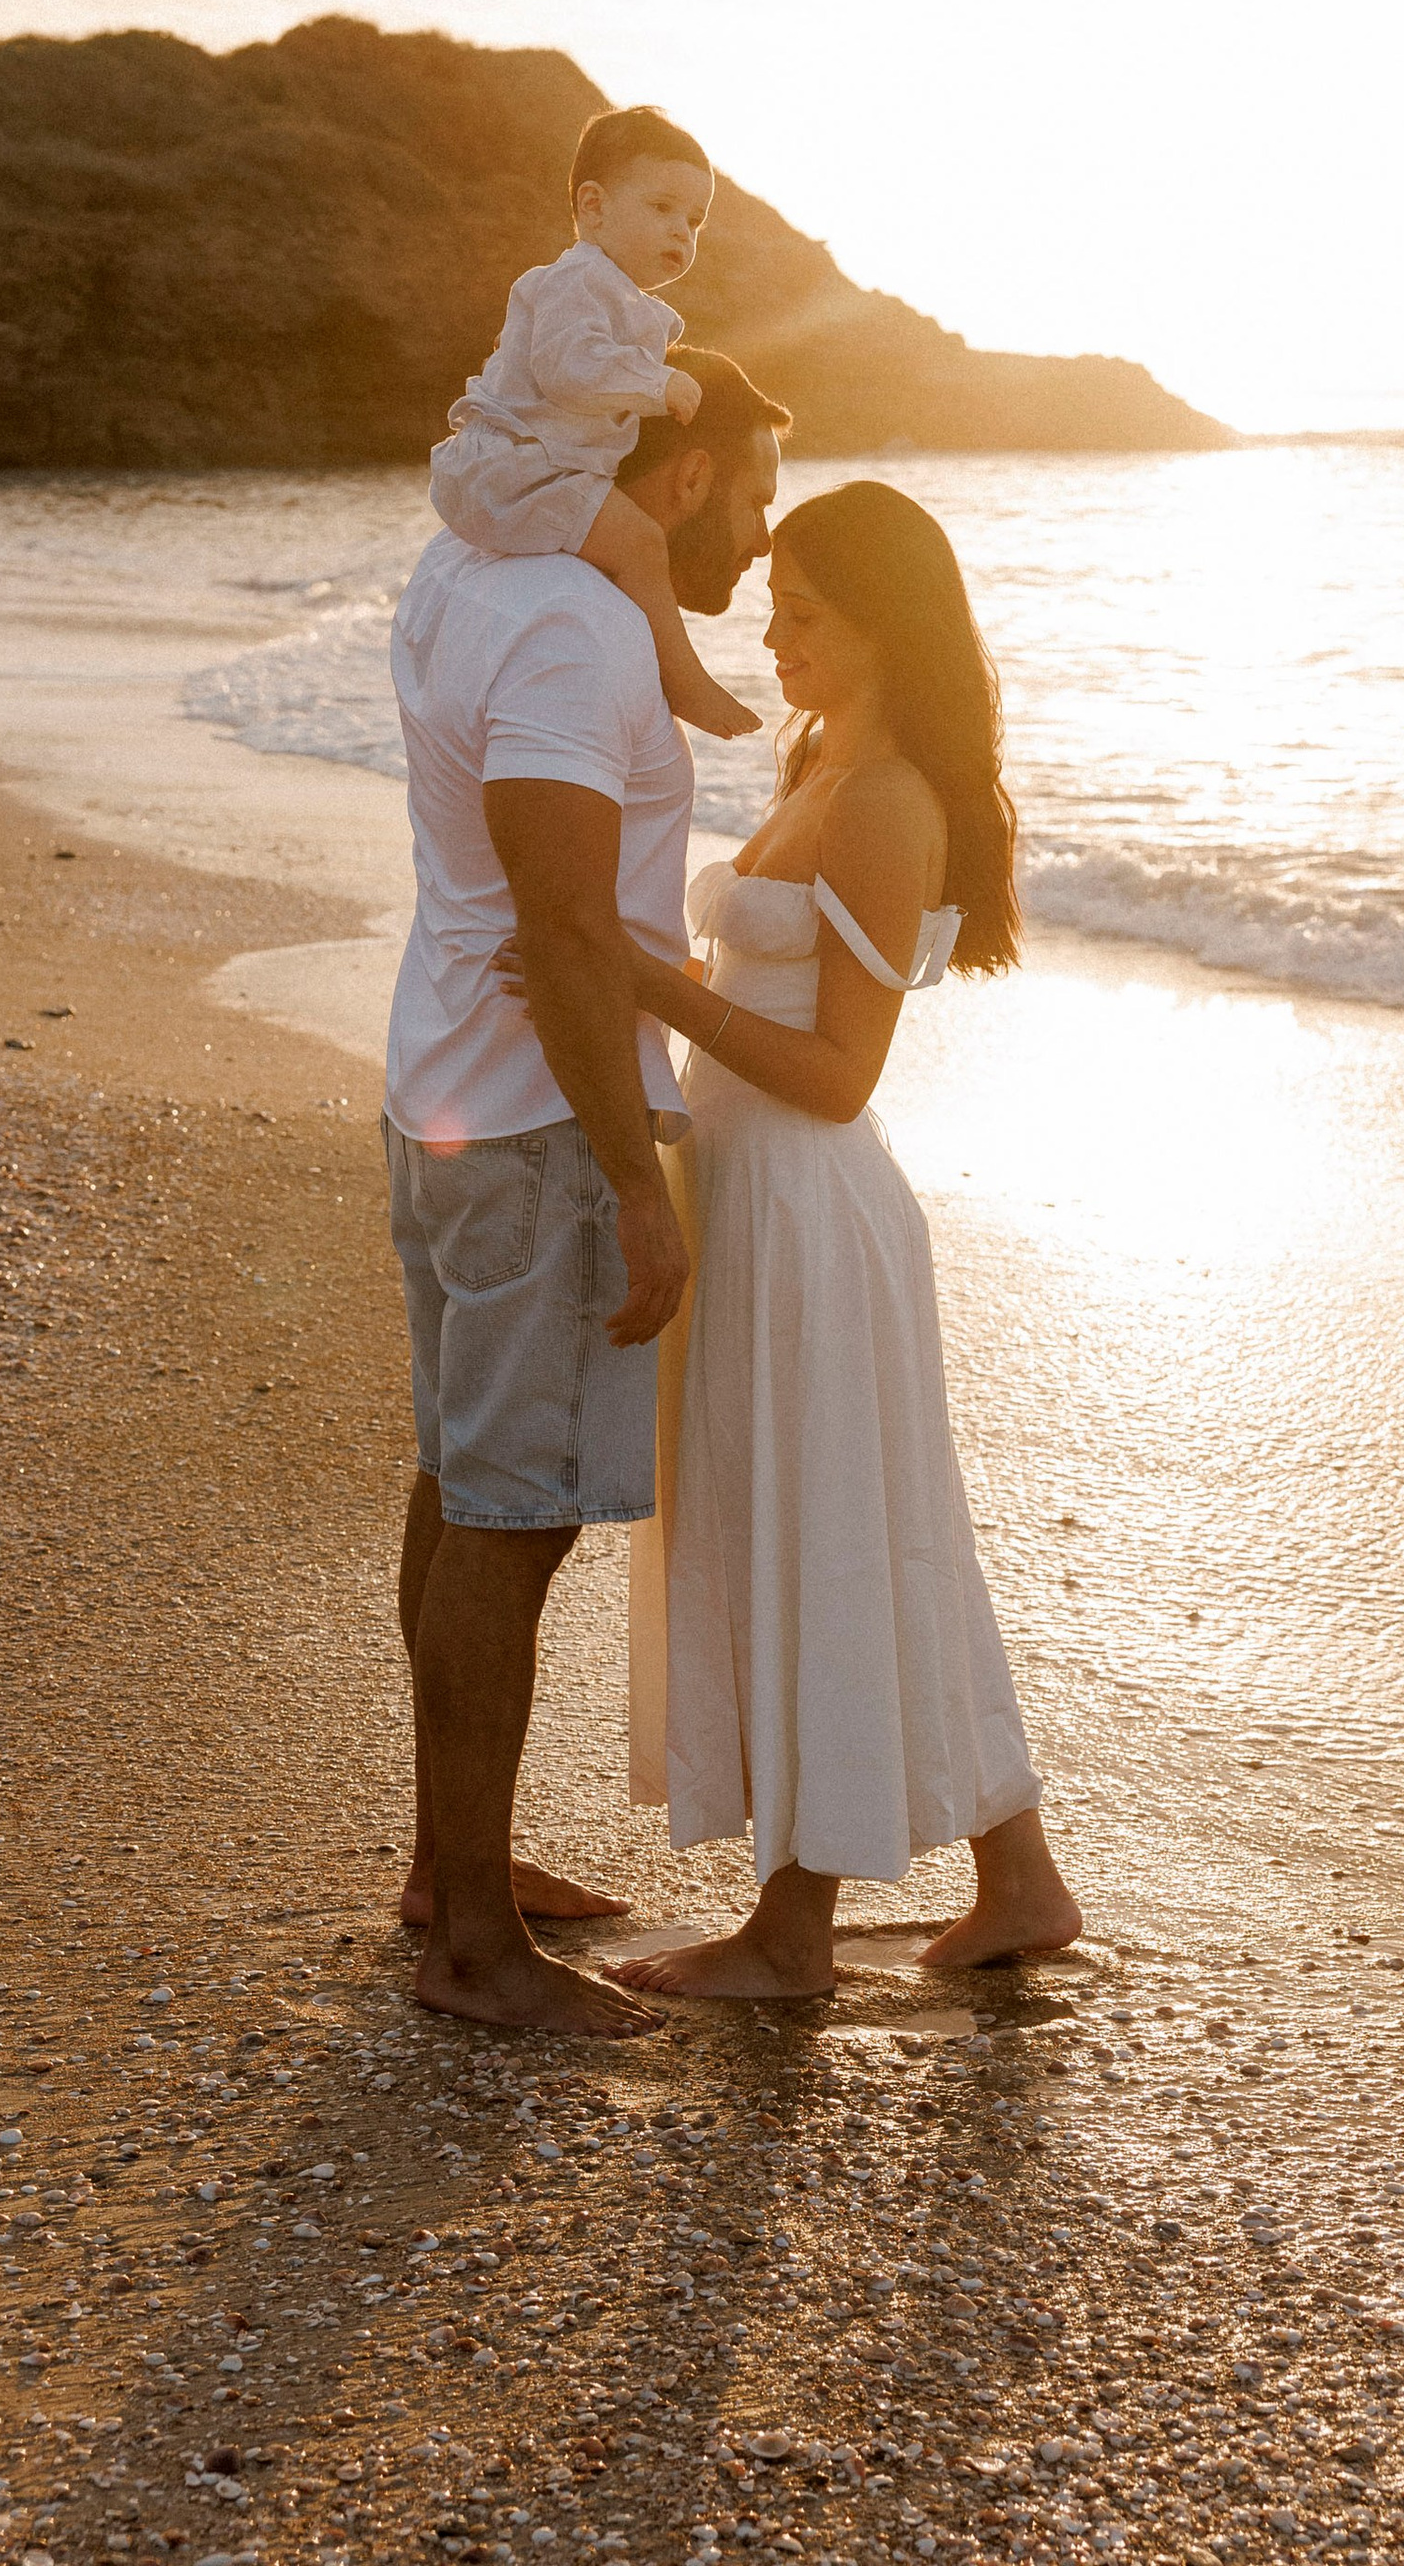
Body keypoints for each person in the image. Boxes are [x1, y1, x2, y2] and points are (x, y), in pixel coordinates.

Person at [594, 479, 1083, 1997]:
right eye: (776, 602)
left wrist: (647, 981)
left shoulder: (884, 801)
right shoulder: (824, 759)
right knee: (868, 1528)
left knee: (820, 1528)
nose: (770, 627)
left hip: (810, 1206)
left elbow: (838, 1071)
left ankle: (793, 1932)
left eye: (803, 611)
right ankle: (1022, 1880)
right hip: (748, 1189)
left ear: (883, 627)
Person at [384, 348, 787, 2034]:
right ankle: (476, 1939)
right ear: (681, 479)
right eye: (756, 492)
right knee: (513, 1505)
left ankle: (448, 1872)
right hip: (539, 1113)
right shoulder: (573, 628)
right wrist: (640, 1176)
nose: (765, 538)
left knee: (466, 1475)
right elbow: (564, 926)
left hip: (446, 1081)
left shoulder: (470, 570)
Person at [425, 104, 763, 741]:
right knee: (639, 544)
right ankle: (685, 681)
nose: (681, 233)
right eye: (662, 208)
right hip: (510, 468)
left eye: (694, 221)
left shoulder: (624, 301)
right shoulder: (574, 282)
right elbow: (567, 369)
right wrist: (656, 383)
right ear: (594, 205)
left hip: (526, 468)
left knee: (619, 537)